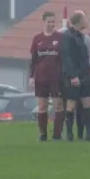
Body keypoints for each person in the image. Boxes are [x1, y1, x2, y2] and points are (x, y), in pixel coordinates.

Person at [61, 11, 90, 141]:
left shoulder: (82, 36)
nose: (87, 21)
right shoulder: (67, 36)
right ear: (79, 21)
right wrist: (72, 75)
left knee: (88, 102)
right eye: (85, 18)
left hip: (85, 74)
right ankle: (69, 133)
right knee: (71, 104)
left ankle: (89, 132)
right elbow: (67, 57)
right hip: (73, 76)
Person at [29, 11, 64, 141]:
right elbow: (33, 60)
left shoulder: (60, 38)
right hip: (41, 78)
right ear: (43, 22)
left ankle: (57, 135)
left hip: (56, 78)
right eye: (48, 21)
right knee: (42, 106)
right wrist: (31, 76)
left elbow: (63, 58)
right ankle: (43, 134)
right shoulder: (37, 39)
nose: (51, 24)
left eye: (53, 22)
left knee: (58, 105)